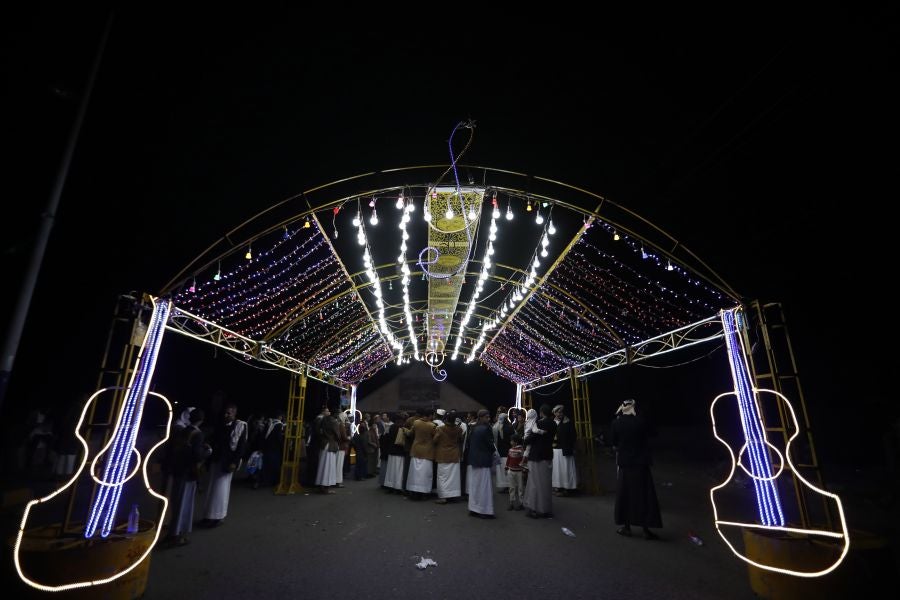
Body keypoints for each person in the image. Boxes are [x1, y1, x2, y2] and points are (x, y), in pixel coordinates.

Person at [610, 399, 662, 540]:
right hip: (641, 464)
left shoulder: (617, 422)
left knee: (626, 495)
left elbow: (613, 443)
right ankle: (645, 529)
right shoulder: (641, 421)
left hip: (625, 464)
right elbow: (654, 433)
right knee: (643, 495)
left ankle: (627, 527)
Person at [199, 403, 247, 527]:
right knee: (211, 489)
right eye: (225, 413)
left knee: (221, 490)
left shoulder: (240, 426)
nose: (226, 415)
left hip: (227, 463)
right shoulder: (220, 425)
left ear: (234, 413)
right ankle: (209, 515)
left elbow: (241, 447)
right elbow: (214, 441)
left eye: (229, 413)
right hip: (216, 461)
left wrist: (234, 462)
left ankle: (217, 516)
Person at [522, 404, 556, 519]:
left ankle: (534, 509)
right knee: (546, 483)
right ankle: (546, 509)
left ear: (541, 413)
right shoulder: (553, 423)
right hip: (548, 455)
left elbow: (529, 439)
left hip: (536, 456)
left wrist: (525, 440)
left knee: (534, 483)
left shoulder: (540, 423)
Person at [467, 409, 497, 518]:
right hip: (484, 460)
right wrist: (493, 453)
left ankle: (473, 508)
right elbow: (490, 444)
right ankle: (484, 510)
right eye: (487, 417)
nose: (488, 419)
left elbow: (469, 443)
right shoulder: (487, 428)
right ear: (481, 417)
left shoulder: (473, 428)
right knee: (484, 486)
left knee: (475, 485)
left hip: (474, 460)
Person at [552, 404, 578, 496]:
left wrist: (570, 445)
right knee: (557, 470)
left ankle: (568, 489)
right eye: (558, 412)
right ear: (554, 413)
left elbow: (573, 436)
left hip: (565, 449)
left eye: (561, 412)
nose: (559, 414)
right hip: (555, 450)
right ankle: (558, 487)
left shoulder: (568, 422)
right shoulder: (553, 422)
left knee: (566, 470)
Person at [505, 433, 526, 511]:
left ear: (516, 442)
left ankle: (521, 503)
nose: (510, 442)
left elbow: (524, 461)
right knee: (511, 487)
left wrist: (524, 470)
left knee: (520, 488)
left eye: (512, 441)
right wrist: (506, 467)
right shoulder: (510, 450)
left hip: (519, 471)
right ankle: (511, 503)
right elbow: (508, 459)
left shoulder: (521, 450)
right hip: (511, 471)